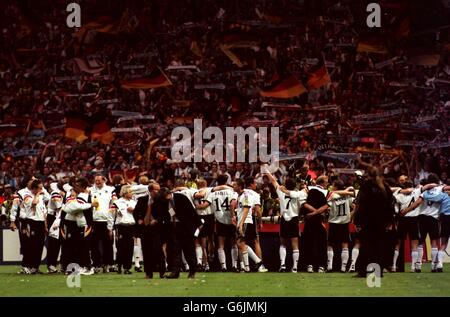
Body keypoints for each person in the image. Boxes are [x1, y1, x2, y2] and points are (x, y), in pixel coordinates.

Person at [354, 167, 395, 277]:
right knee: (379, 246)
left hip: (367, 221)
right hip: (381, 222)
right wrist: (390, 221)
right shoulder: (385, 187)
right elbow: (391, 205)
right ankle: (378, 271)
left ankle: (363, 271)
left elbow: (359, 205)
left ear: (368, 175)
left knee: (366, 245)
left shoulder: (365, 187)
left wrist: (357, 221)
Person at [401, 175, 445, 272]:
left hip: (422, 218)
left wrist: (406, 211)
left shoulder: (424, 192)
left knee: (421, 242)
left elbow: (416, 203)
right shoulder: (440, 189)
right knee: (434, 242)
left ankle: (418, 265)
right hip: (434, 218)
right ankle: (434, 266)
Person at [265, 171, 306, 273]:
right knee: (295, 244)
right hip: (294, 219)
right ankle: (295, 267)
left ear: (285, 185)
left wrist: (267, 172)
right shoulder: (298, 194)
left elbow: (273, 180)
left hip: (284, 219)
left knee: (283, 243)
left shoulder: (281, 191)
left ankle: (282, 265)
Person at [197, 175, 238, 272]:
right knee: (234, 244)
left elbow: (205, 205)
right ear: (226, 181)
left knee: (221, 244)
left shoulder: (212, 193)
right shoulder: (232, 191)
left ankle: (223, 266)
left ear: (217, 182)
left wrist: (194, 206)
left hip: (220, 219)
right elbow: (234, 203)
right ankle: (234, 265)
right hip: (231, 218)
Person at [62, 177, 98, 275]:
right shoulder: (77, 195)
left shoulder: (83, 195)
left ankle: (88, 267)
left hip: (85, 224)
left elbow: (72, 208)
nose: (75, 187)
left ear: (83, 187)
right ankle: (82, 266)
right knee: (79, 246)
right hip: (79, 224)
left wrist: (67, 207)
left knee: (85, 246)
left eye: (77, 185)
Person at [234, 179, 268, 273]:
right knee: (242, 243)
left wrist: (241, 224)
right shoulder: (240, 195)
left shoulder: (246, 195)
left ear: (240, 186)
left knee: (241, 243)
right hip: (243, 221)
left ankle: (254, 263)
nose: (234, 187)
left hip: (246, 221)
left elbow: (246, 209)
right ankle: (251, 265)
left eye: (235, 185)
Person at [302, 176, 330, 273]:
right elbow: (325, 207)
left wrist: (312, 213)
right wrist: (317, 212)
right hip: (319, 221)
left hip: (309, 220)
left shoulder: (308, 189)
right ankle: (321, 266)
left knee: (308, 244)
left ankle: (309, 265)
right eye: (326, 182)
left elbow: (304, 204)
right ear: (322, 183)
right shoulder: (326, 193)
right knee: (321, 245)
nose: (327, 184)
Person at [89, 174, 117, 273]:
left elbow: (113, 206)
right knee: (94, 245)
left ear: (104, 180)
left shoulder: (111, 190)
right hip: (94, 222)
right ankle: (97, 265)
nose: (97, 182)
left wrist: (111, 224)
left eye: (99, 180)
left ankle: (109, 264)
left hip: (106, 221)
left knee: (108, 245)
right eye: (96, 180)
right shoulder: (90, 190)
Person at [326, 180, 355, 272]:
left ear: (336, 187)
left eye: (333, 185)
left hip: (334, 223)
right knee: (345, 244)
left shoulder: (332, 195)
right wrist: (350, 215)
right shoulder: (347, 195)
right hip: (344, 223)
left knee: (330, 244)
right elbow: (355, 205)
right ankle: (343, 267)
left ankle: (329, 266)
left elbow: (327, 205)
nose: (332, 187)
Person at [392, 180, 421, 272]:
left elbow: (393, 200)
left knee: (398, 243)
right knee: (414, 244)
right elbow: (422, 187)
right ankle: (413, 267)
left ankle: (393, 265)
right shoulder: (417, 193)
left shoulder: (400, 195)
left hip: (403, 220)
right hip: (413, 219)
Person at [23, 179, 47, 274]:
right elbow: (34, 203)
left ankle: (36, 267)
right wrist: (37, 194)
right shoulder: (27, 197)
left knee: (40, 246)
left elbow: (43, 212)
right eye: (40, 188)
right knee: (32, 245)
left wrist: (45, 225)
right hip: (32, 222)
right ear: (35, 188)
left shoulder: (40, 198)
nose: (42, 190)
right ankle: (29, 266)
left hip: (40, 222)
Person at [113, 185, 137, 274]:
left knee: (130, 247)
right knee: (120, 247)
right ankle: (119, 265)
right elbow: (112, 215)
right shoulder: (117, 202)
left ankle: (127, 268)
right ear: (125, 193)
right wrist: (110, 226)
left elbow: (138, 213)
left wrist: (134, 211)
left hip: (131, 226)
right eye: (130, 192)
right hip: (121, 226)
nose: (132, 194)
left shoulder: (134, 202)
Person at [46, 182, 65, 273]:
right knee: (56, 243)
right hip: (56, 218)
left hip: (58, 218)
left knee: (58, 243)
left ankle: (56, 264)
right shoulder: (57, 193)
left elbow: (59, 207)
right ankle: (54, 264)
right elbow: (59, 207)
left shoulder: (57, 193)